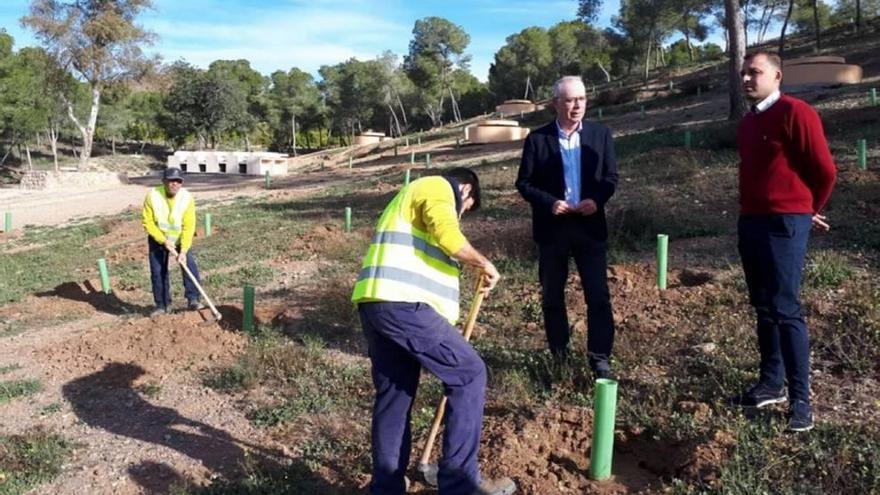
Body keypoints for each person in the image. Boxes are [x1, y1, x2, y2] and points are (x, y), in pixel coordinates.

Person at [352, 167, 515, 495]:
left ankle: (387, 487)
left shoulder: (410, 198)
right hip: (404, 307)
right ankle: (460, 483)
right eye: (467, 208)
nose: (462, 214)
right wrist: (483, 263)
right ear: (466, 190)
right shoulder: (438, 186)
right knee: (469, 373)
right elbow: (448, 235)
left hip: (377, 305)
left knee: (395, 397)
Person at [732, 51, 837, 432]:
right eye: (743, 73)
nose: (747, 79)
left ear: (777, 76)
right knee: (763, 306)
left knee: (785, 308)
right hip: (752, 222)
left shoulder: (797, 112)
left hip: (785, 224)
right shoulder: (748, 123)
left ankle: (801, 400)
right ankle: (770, 384)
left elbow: (824, 169)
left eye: (754, 72)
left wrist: (808, 208)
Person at [515, 75, 619, 378]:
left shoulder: (601, 135)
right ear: (555, 103)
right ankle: (559, 354)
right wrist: (549, 202)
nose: (577, 106)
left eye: (582, 99)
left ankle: (600, 358)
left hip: (589, 227)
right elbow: (523, 183)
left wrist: (597, 200)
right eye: (570, 100)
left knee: (598, 296)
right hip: (553, 229)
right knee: (552, 296)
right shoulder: (538, 139)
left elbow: (610, 178)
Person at [142, 167, 204, 317]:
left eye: (178, 181)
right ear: (164, 181)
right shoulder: (152, 196)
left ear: (181, 183)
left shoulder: (187, 198)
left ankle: (193, 299)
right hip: (158, 239)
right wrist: (162, 240)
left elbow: (189, 226)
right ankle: (163, 305)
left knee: (189, 265)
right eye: (171, 180)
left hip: (179, 239)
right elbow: (148, 222)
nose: (174, 184)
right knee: (158, 272)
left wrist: (183, 251)